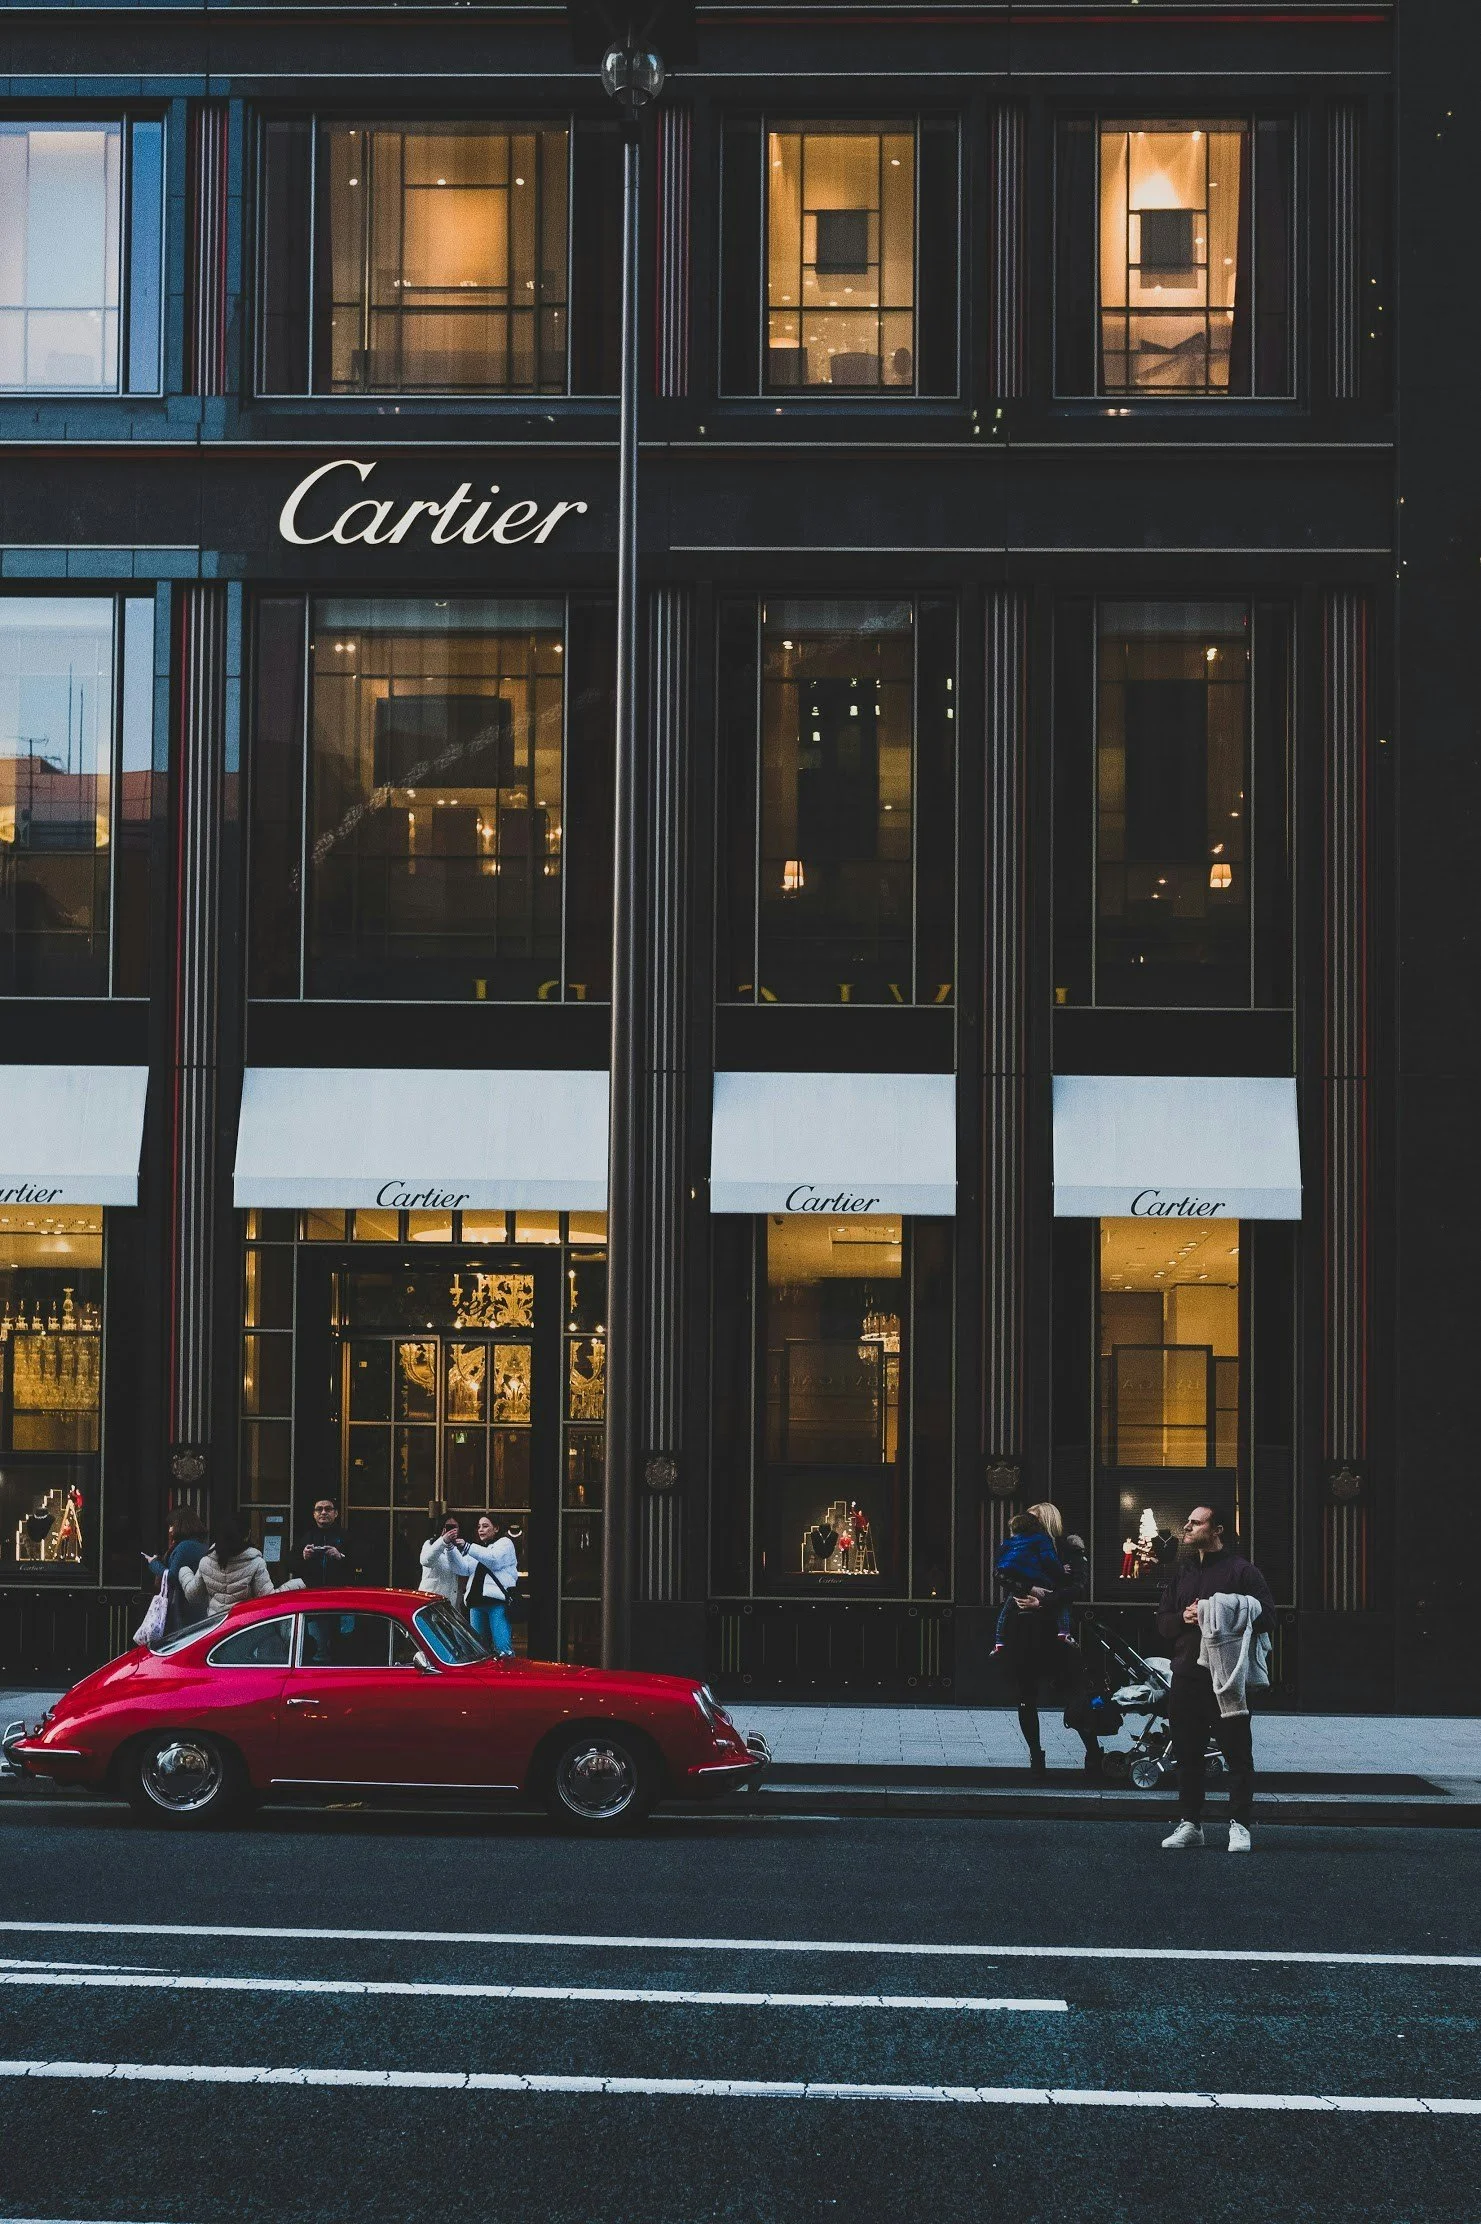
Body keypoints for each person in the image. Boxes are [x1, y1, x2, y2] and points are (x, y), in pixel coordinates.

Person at [1155, 1503, 1276, 1854]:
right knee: (1187, 1754)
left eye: (1196, 1522)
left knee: (1237, 1754)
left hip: (1227, 1679)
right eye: (1188, 1522)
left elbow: (1268, 1617)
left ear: (1217, 1529)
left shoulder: (1242, 1572)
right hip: (1187, 1676)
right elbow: (1163, 1622)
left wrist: (1220, 1608)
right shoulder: (1184, 1573)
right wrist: (1187, 1617)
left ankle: (1239, 1826)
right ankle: (1191, 1824)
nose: (1187, 1528)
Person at [995, 1500, 1103, 1778]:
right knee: (1025, 1696)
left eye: (1033, 1518)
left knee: (1076, 1694)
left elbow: (1077, 1587)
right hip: (1026, 1631)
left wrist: (1042, 1601)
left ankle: (1092, 1751)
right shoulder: (1021, 1545)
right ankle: (1036, 1756)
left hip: (1056, 1630)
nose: (1027, 1523)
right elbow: (1004, 1576)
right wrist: (1029, 1589)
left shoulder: (1068, 1547)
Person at [991, 1512, 1072, 1654]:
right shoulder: (1042, 1540)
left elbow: (998, 1566)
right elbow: (1050, 1561)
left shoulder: (1008, 1543)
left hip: (1018, 1582)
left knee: (1006, 1611)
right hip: (1039, 1580)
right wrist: (1060, 1571)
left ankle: (999, 1641)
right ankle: (1064, 1632)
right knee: (1062, 1606)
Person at [444, 1515, 519, 1658]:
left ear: (496, 1528)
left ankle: (505, 1677)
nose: (481, 1530)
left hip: (496, 1603)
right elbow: (461, 1568)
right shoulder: (478, 1549)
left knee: (503, 1647)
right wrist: (450, 1547)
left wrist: (467, 1546)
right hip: (476, 1603)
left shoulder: (505, 1543)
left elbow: (493, 1560)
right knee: (478, 1649)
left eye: (485, 1526)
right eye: (479, 1526)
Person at [177, 1515, 277, 1621]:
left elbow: (193, 1595)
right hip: (243, 1625)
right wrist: (293, 1585)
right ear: (247, 1535)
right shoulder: (256, 1563)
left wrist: (184, 1572)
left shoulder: (206, 1562)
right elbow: (269, 1599)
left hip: (215, 1625)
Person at [142, 1507, 208, 1634]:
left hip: (181, 1607)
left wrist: (154, 1564)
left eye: (172, 1525)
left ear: (181, 1525)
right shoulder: (199, 1545)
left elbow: (172, 1576)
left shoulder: (184, 1547)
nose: (170, 1530)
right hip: (194, 1607)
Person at [298, 1498, 354, 1588]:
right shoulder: (305, 1537)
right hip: (311, 1591)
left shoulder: (346, 1536)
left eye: (328, 1509)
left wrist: (340, 1556)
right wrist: (304, 1557)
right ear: (314, 1514)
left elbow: (359, 1563)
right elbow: (289, 1564)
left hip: (339, 1590)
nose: (323, 1512)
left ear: (336, 1513)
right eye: (319, 1509)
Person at [418, 1509, 464, 1605]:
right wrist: (443, 1541)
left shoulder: (460, 1547)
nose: (451, 1531)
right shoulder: (430, 1544)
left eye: (454, 1527)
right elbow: (426, 1561)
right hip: (431, 1600)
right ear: (441, 1528)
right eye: (448, 1527)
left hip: (452, 1602)